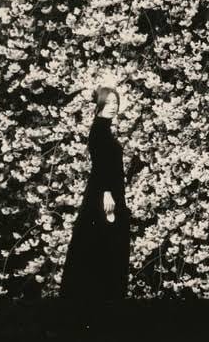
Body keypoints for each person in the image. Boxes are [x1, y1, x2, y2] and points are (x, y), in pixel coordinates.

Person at [59, 85, 131, 300]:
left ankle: (99, 298)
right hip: (104, 192)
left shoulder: (104, 128)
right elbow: (101, 165)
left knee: (100, 243)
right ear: (99, 105)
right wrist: (107, 193)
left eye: (115, 103)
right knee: (101, 243)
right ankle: (96, 299)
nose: (112, 107)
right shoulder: (99, 130)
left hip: (107, 190)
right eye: (108, 103)